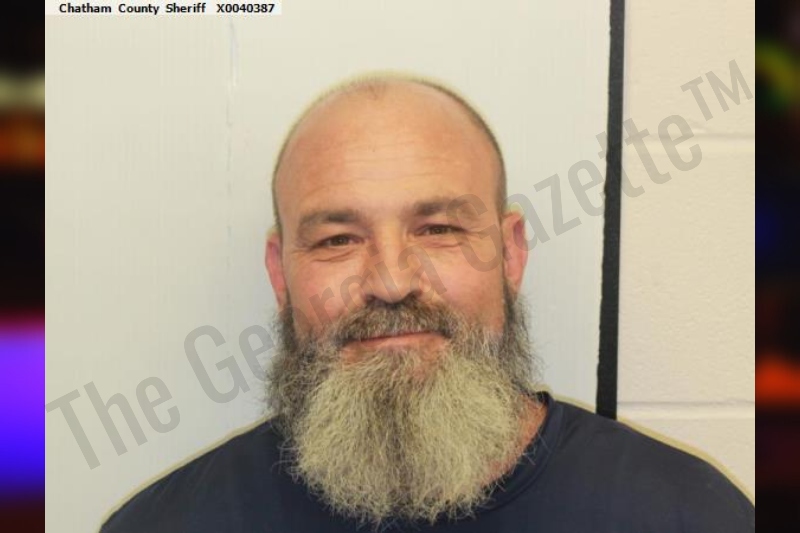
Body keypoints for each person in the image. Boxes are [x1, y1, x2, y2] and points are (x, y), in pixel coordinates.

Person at [101, 75, 754, 533]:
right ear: (280, 272)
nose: (390, 281)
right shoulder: (168, 524)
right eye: (337, 239)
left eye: (438, 229)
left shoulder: (685, 515)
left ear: (511, 252)